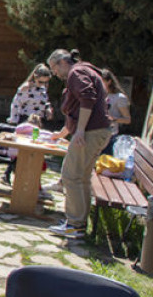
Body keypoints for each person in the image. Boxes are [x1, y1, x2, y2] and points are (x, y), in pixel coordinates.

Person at [47, 49, 111, 239]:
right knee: (81, 177)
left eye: (54, 69)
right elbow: (76, 109)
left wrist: (81, 130)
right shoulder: (85, 70)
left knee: (71, 175)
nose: (55, 74)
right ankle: (78, 224)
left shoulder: (76, 72)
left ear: (61, 62)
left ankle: (75, 224)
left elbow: (87, 98)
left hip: (90, 131)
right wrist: (63, 134)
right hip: (98, 130)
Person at [101, 69, 131, 154]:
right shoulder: (100, 95)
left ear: (109, 81)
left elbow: (127, 119)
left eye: (101, 81)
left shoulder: (119, 98)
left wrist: (113, 119)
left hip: (110, 136)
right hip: (96, 135)